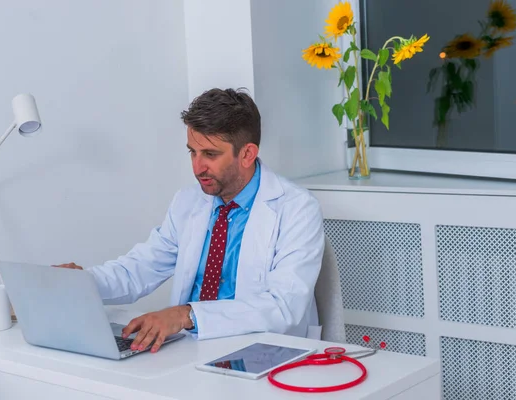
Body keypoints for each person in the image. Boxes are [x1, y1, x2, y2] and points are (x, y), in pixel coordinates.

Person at [55, 88, 325, 353]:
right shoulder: (188, 201)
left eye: (210, 154)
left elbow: (282, 306)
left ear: (247, 154)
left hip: (261, 350)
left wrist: (187, 316)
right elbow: (139, 268)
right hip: (191, 350)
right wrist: (83, 283)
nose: (197, 168)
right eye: (192, 153)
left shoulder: (297, 209)